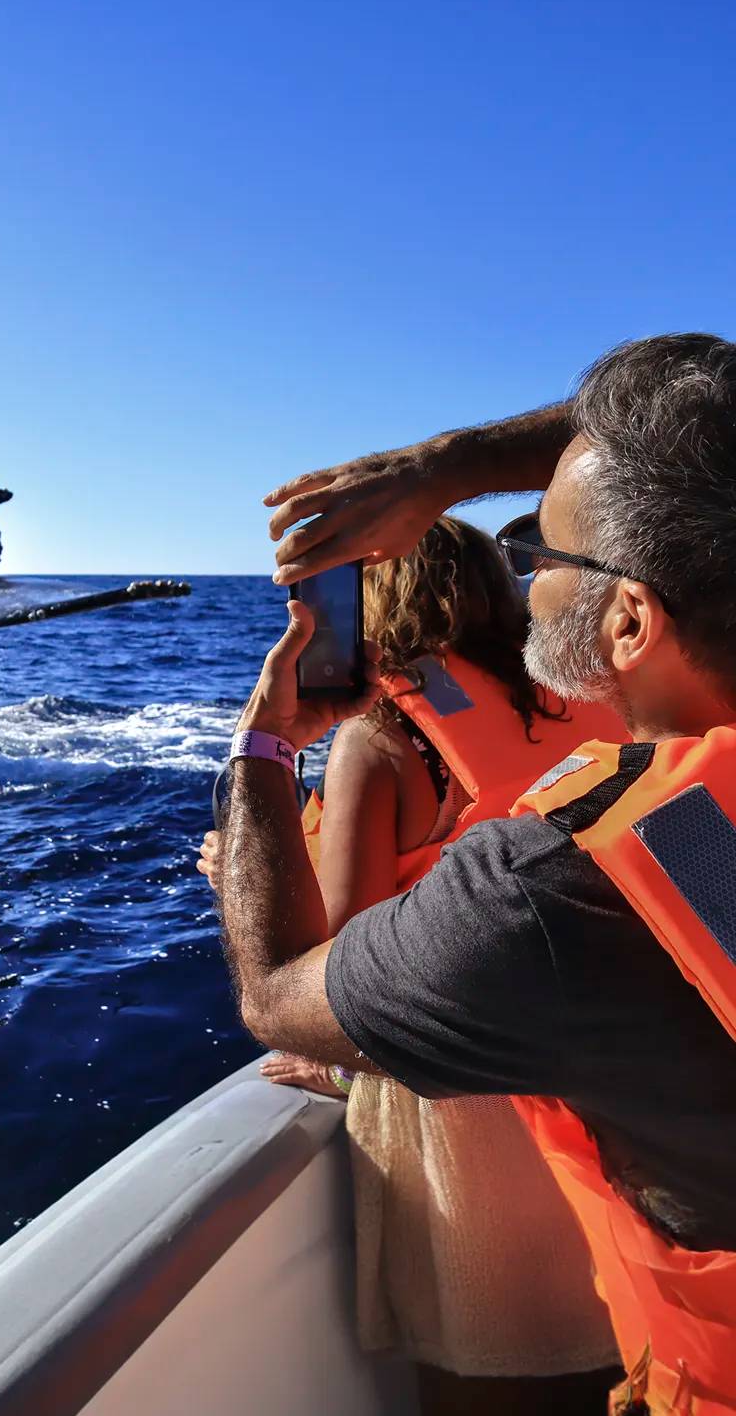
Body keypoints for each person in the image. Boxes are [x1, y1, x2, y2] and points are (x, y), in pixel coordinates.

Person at [216, 334, 736, 1416]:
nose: (531, 581)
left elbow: (278, 993)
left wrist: (262, 748)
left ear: (631, 618)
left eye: (545, 556)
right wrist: (444, 470)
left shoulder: (558, 886)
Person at [201, 519, 622, 1410]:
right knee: (599, 1347)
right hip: (584, 1074)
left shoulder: (381, 741)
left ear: (372, 611)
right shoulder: (577, 706)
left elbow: (344, 967)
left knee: (477, 1365)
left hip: (454, 1095)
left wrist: (240, 862)